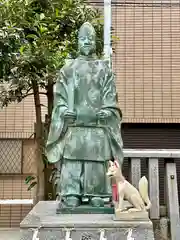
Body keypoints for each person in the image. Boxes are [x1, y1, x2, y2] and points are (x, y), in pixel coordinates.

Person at [46, 22, 123, 208]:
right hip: (75, 128)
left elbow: (110, 99)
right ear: (77, 42)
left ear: (95, 42)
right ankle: (72, 192)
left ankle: (98, 193)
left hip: (97, 129)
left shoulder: (104, 69)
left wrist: (107, 111)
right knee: (72, 161)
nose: (87, 41)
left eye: (90, 38)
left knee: (97, 163)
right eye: (83, 38)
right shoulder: (68, 70)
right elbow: (60, 99)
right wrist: (64, 112)